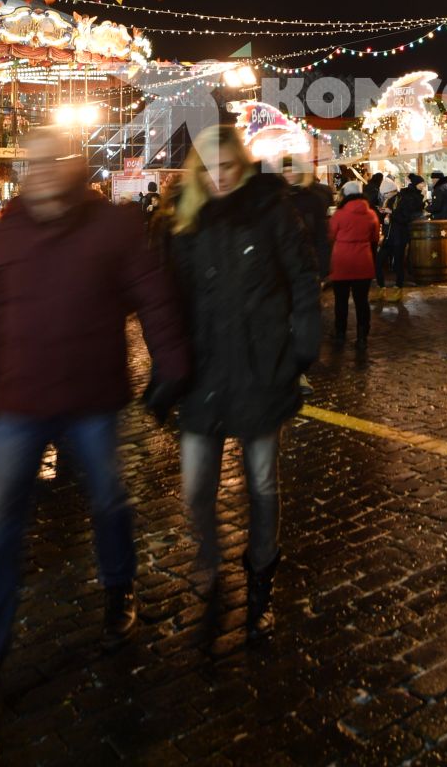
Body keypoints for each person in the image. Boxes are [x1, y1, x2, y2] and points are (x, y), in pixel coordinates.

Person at [0, 128, 191, 714]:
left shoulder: (113, 226)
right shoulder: (11, 228)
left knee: (108, 500)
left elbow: (154, 297)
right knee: (2, 528)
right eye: (30, 164)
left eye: (48, 163)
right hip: (19, 399)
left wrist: (173, 366)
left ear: (73, 168)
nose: (37, 173)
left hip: (89, 393)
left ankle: (118, 589)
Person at [167, 126, 321, 640]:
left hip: (261, 368)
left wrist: (300, 348)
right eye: (209, 168)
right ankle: (208, 559)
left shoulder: (271, 211)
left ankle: (261, 571)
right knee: (195, 484)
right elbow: (172, 300)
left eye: (227, 166)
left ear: (243, 164)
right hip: (205, 374)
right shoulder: (186, 224)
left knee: (261, 483)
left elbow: (302, 277)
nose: (220, 176)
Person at [327, 180, 381, 352]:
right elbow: (374, 238)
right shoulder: (371, 213)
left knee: (341, 301)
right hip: (363, 261)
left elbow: (331, 235)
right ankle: (362, 337)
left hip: (342, 260)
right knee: (361, 301)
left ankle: (340, 334)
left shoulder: (339, 214)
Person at [284, 159, 334, 282]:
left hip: (307, 261)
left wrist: (323, 267)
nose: (289, 174)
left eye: (292, 170)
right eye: (285, 171)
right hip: (285, 264)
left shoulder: (313, 198)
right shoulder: (278, 199)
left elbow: (321, 234)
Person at [382, 174, 427, 299]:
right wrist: (387, 214)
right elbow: (401, 213)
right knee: (386, 260)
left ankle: (398, 288)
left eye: (423, 183)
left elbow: (405, 217)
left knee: (398, 261)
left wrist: (391, 213)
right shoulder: (404, 196)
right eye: (421, 183)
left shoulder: (413, 197)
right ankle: (385, 288)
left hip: (399, 233)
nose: (423, 186)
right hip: (393, 233)